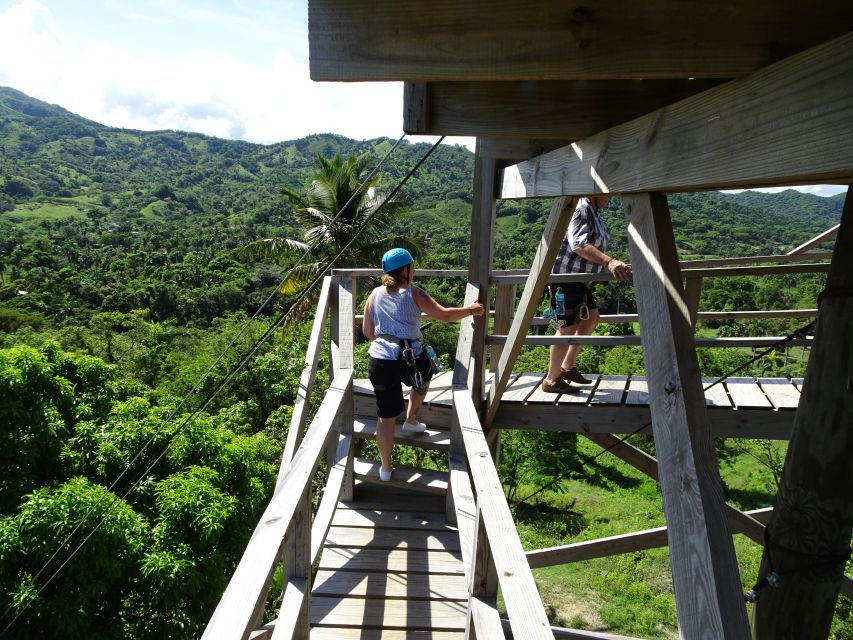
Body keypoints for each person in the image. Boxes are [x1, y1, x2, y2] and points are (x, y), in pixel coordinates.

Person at [363, 248, 484, 481]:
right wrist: (472, 310)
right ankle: (410, 419)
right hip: (411, 355)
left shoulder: (374, 294)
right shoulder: (413, 293)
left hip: (379, 359)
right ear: (407, 269)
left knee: (385, 418)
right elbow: (445, 315)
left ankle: (386, 469)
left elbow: (368, 332)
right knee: (425, 375)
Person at [542, 196, 632, 394]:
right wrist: (609, 262)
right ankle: (551, 380)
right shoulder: (582, 207)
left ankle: (567, 367)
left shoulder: (592, 210)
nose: (609, 198)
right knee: (566, 328)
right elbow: (580, 244)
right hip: (565, 280)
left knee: (591, 318)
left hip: (580, 281)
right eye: (608, 194)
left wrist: (600, 272)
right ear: (596, 191)